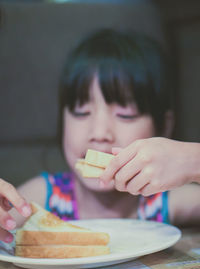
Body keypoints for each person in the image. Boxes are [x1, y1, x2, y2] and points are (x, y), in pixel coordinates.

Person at [1, 28, 200, 244]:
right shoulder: (41, 196)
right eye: (81, 112)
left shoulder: (165, 199)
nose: (99, 133)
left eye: (125, 114)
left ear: (163, 128)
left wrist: (192, 161)